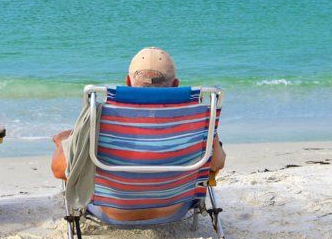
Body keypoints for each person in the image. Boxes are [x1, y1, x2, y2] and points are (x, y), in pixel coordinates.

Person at [51, 47, 225, 222]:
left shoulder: (101, 119)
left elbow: (59, 170)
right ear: (175, 85)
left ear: (128, 81)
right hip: (174, 210)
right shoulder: (198, 119)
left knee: (67, 146)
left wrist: (62, 143)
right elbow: (217, 163)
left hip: (112, 212)